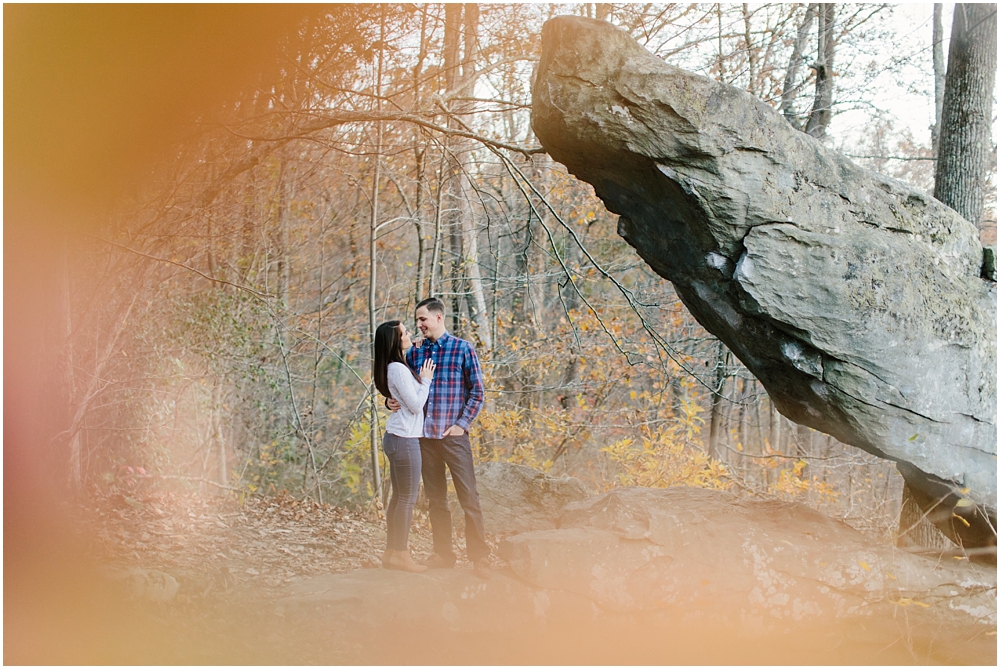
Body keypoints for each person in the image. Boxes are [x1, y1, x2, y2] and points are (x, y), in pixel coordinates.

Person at [388, 297, 490, 578]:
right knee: (436, 500)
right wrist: (388, 401)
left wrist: (462, 423)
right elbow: (400, 387)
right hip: (423, 440)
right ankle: (443, 555)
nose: (418, 325)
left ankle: (480, 557)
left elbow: (478, 392)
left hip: (453, 438)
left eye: (422, 319)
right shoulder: (415, 353)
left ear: (438, 318)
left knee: (469, 497)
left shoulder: (462, 349)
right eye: (417, 320)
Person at [373, 319, 436, 573]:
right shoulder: (398, 368)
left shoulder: (393, 365)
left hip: (396, 437)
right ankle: (400, 553)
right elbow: (415, 405)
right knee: (407, 499)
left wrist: (418, 343)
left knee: (398, 498)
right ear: (395, 341)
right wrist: (426, 379)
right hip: (405, 440)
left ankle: (391, 552)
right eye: (405, 333)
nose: (410, 333)